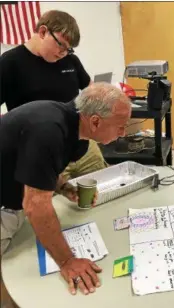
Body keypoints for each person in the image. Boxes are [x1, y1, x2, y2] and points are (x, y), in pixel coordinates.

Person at [0, 83, 132, 299]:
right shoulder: (48, 130)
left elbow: (41, 167)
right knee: (12, 284)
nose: (123, 133)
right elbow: (35, 206)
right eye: (120, 126)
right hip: (5, 206)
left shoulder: (75, 131)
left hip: (14, 197)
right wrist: (67, 261)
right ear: (95, 121)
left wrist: (63, 187)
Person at [0, 9, 108, 181]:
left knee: (101, 193)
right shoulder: (10, 63)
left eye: (69, 49)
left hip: (84, 148)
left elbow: (91, 91)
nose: (63, 53)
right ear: (43, 32)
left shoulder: (70, 61)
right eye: (61, 45)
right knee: (53, 205)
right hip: (44, 155)